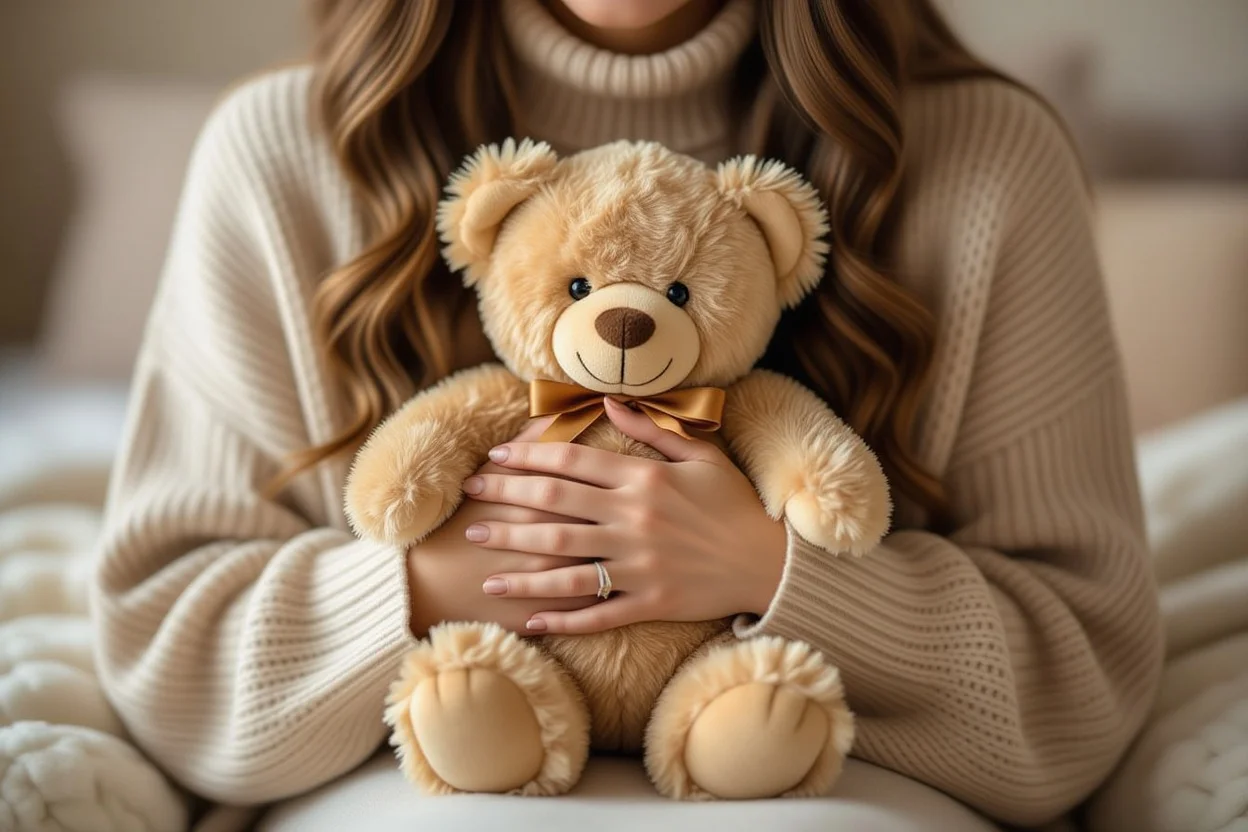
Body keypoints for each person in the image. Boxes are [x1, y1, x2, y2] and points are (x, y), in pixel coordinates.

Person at [91, 0, 1163, 828]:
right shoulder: (282, 154)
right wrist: (442, 577)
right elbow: (165, 656)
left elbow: (1082, 687)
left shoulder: (987, 161)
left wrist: (773, 571)